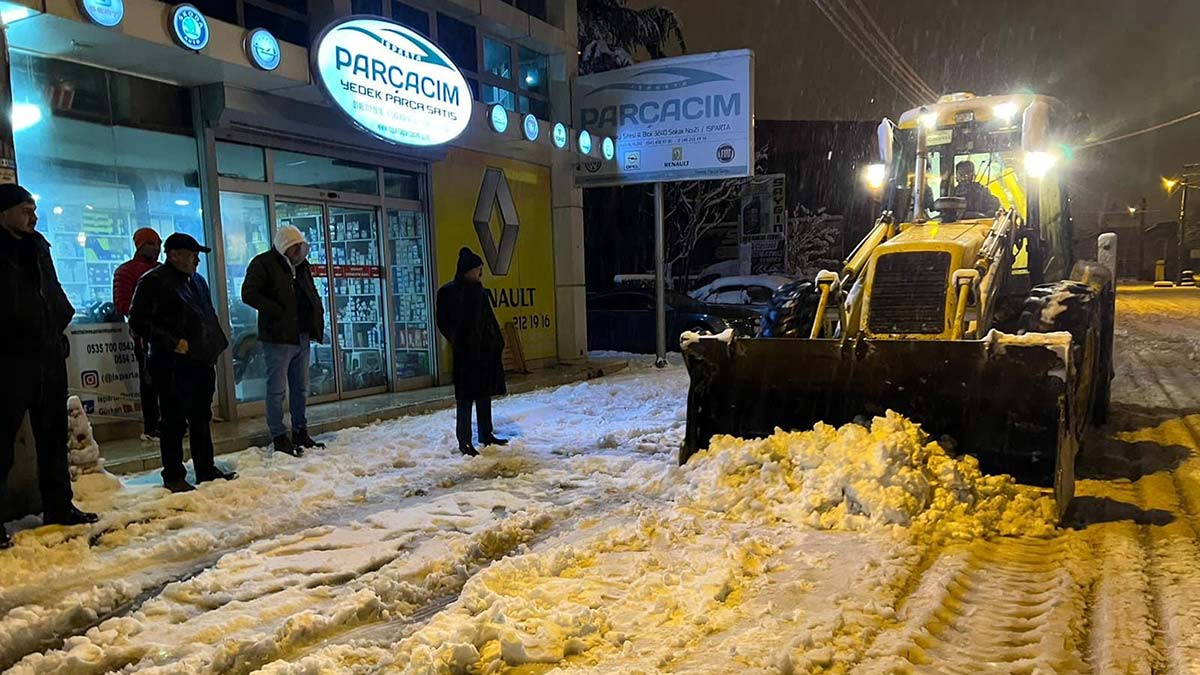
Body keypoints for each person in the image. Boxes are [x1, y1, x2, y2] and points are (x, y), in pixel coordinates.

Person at [0, 183, 99, 548]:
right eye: (26, 211)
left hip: (47, 354)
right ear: (3, 213)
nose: (34, 217)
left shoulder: (39, 247)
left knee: (53, 436)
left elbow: (52, 291)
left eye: (34, 210)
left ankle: (59, 505)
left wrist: (59, 325)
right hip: (9, 359)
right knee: (2, 441)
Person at [129, 233, 235, 493]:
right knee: (174, 419)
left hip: (201, 359)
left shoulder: (197, 281)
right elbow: (138, 321)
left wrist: (215, 343)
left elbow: (207, 314)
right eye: (191, 255)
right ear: (174, 255)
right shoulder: (154, 281)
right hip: (171, 362)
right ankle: (174, 474)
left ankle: (205, 467)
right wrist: (173, 342)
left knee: (201, 416)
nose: (196, 260)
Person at [240, 225, 326, 457]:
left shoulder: (302, 266)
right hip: (278, 335)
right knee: (277, 389)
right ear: (285, 246)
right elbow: (248, 293)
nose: (299, 252)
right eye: (295, 248)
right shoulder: (263, 264)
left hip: (301, 333)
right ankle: (279, 435)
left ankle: (300, 430)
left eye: (300, 248)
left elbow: (310, 292)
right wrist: (277, 310)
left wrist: (316, 315)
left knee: (300, 387)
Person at [436, 248, 508, 456]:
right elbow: (443, 321)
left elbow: (489, 320)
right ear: (467, 270)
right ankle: (464, 441)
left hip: (484, 352)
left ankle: (486, 433)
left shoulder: (480, 291)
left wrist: (496, 342)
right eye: (478, 269)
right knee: (466, 398)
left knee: (484, 394)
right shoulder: (449, 292)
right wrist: (459, 340)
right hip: (465, 353)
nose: (480, 273)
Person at [112, 227, 161, 442]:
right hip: (146, 337)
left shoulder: (162, 269)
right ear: (140, 245)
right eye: (151, 243)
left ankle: (168, 422)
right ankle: (152, 426)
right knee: (149, 383)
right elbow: (123, 304)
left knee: (169, 382)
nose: (156, 248)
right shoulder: (126, 271)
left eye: (157, 243)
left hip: (168, 335)